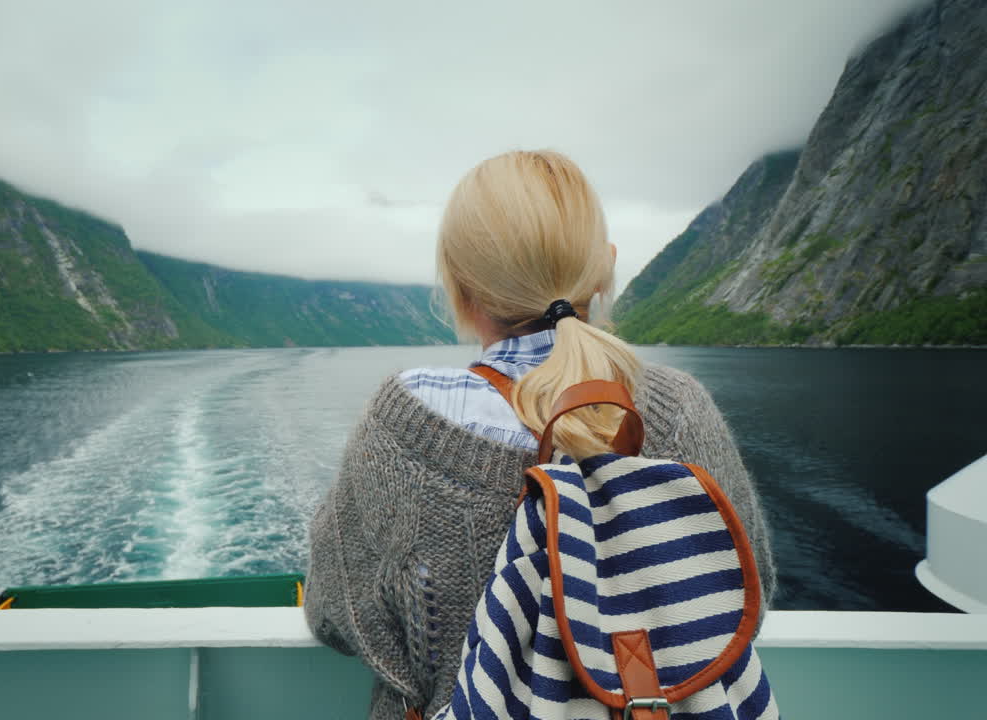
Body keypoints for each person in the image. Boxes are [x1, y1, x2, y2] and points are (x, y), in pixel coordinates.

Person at [303, 149, 776, 720]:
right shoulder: (680, 410)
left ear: (460, 287)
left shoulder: (398, 426)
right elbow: (751, 589)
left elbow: (334, 613)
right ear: (605, 270)